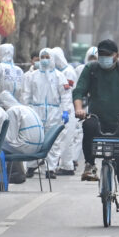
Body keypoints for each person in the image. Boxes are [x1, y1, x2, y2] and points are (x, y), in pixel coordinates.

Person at [73, 39, 119, 213]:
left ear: (116, 56)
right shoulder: (91, 69)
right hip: (97, 118)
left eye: (108, 55)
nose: (104, 58)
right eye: (101, 55)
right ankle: (90, 165)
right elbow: (79, 91)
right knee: (88, 125)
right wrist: (79, 109)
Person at [24, 48, 71, 178]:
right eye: (42, 57)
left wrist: (65, 111)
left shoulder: (59, 76)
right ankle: (31, 166)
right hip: (36, 111)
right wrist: (25, 109)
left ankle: (50, 169)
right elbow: (27, 94)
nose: (44, 60)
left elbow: (66, 95)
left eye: (47, 57)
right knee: (34, 139)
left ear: (52, 58)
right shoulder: (33, 76)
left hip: (54, 112)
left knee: (53, 141)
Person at [50, 47, 79, 176]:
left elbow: (68, 93)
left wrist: (65, 110)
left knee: (67, 139)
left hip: (68, 108)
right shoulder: (56, 72)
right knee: (61, 139)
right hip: (59, 109)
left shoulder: (68, 72)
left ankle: (67, 165)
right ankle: (65, 165)